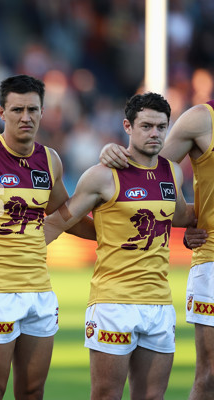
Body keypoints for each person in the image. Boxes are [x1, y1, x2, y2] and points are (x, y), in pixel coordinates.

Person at [0, 74, 93, 400]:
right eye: (17, 109)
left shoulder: (50, 160)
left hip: (39, 292)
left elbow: (65, 214)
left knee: (32, 391)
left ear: (43, 111)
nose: (25, 117)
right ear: (1, 111)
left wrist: (111, 234)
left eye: (32, 109)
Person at [45, 92, 195, 399]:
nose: (155, 133)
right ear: (128, 126)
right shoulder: (102, 176)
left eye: (161, 127)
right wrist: (5, 254)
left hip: (160, 304)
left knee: (153, 396)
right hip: (113, 304)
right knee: (106, 395)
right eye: (146, 126)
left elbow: (179, 215)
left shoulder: (172, 172)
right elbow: (58, 222)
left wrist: (198, 226)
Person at [99, 98, 214, 399]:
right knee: (212, 375)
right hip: (212, 258)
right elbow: (146, 174)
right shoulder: (202, 119)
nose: (154, 131)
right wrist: (112, 152)